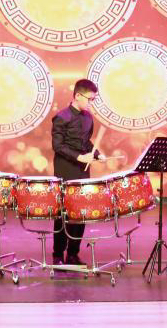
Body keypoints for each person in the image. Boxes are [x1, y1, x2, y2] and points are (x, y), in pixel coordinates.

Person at [50, 79, 105, 267]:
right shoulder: (61, 117)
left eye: (93, 99)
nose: (91, 103)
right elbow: (58, 146)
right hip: (65, 168)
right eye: (90, 99)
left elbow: (86, 143)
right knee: (63, 213)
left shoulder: (88, 118)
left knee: (81, 212)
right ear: (78, 96)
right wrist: (79, 157)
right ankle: (58, 254)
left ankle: (73, 253)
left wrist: (97, 154)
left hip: (82, 171)